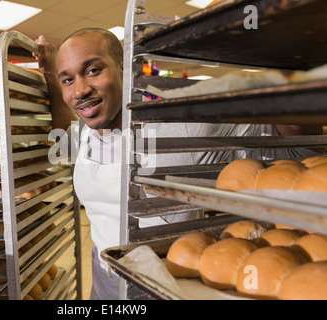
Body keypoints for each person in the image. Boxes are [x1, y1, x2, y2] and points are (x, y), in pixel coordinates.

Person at [34, 28, 323, 300]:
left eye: (93, 70)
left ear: (124, 68)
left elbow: (285, 132)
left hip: (168, 279)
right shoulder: (84, 132)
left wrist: (287, 53)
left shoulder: (180, 124)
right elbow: (63, 127)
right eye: (68, 79)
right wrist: (49, 75)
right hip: (105, 276)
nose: (80, 90)